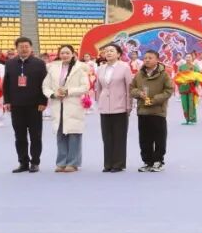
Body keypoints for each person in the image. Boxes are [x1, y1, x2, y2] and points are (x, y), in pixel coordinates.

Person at [2, 37, 48, 173]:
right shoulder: (9, 63)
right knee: (19, 136)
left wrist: (43, 101)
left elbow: (44, 84)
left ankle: (35, 162)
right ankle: (23, 162)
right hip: (16, 105)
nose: (24, 49)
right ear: (17, 48)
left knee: (35, 136)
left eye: (26, 46)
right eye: (21, 46)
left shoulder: (39, 63)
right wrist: (7, 101)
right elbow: (6, 84)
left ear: (31, 48)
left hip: (35, 105)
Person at [42, 45, 90, 173]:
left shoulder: (80, 68)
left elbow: (85, 87)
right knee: (60, 134)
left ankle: (73, 163)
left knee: (73, 134)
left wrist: (68, 91)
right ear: (59, 54)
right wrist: (53, 94)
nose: (64, 55)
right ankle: (61, 162)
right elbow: (45, 86)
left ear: (73, 54)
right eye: (62, 53)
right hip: (58, 104)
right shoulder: (53, 68)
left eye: (67, 53)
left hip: (73, 104)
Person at [129, 50, 174, 172]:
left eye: (150, 58)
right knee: (144, 138)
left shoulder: (164, 75)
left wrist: (154, 100)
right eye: (145, 58)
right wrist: (139, 93)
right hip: (143, 111)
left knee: (159, 137)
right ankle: (147, 162)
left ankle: (158, 161)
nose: (147, 60)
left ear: (157, 60)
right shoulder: (139, 74)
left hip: (158, 111)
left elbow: (169, 90)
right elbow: (132, 88)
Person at [95, 43, 134, 173]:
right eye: (106, 51)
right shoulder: (100, 68)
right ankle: (108, 164)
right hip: (104, 106)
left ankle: (118, 163)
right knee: (106, 136)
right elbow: (98, 87)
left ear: (118, 54)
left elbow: (129, 87)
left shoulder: (124, 68)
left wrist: (129, 105)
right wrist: (99, 102)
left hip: (120, 106)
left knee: (119, 136)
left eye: (112, 51)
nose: (108, 53)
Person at [176, 53, 199, 125]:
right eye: (187, 57)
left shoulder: (195, 67)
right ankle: (187, 119)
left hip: (191, 87)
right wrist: (179, 83)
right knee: (184, 104)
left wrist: (196, 85)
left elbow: (198, 76)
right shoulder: (181, 67)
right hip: (183, 87)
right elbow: (178, 76)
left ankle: (192, 119)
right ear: (185, 58)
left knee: (191, 103)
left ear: (192, 58)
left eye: (189, 57)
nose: (188, 58)